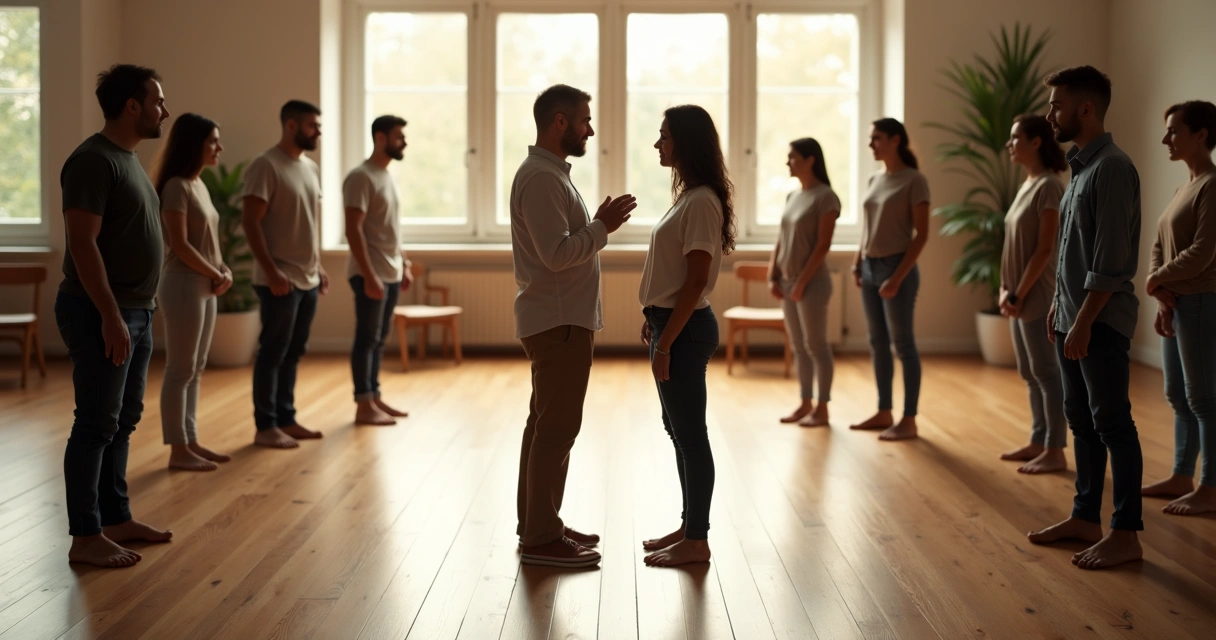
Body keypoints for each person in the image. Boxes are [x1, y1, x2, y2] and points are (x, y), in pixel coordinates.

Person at [509, 85, 636, 568]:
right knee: (556, 429)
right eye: (585, 119)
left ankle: (539, 523)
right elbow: (557, 255)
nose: (591, 128)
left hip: (559, 319)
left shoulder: (550, 174)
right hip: (557, 321)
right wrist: (602, 226)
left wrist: (598, 225)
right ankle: (541, 537)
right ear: (559, 122)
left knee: (544, 426)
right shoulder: (542, 178)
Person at [1027, 66, 1144, 570]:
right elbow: (1074, 253)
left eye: (1056, 105)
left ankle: (1127, 532)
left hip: (1098, 323)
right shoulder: (1080, 171)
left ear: (1086, 109)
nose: (1050, 113)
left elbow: (1111, 261)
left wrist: (1082, 322)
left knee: (1112, 422)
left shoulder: (1113, 168)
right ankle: (1084, 517)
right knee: (1082, 422)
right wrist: (1059, 304)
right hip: (1071, 318)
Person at [57, 64, 173, 568]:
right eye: (158, 101)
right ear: (132, 105)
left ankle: (115, 516)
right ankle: (85, 536)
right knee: (96, 423)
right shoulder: (93, 161)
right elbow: (82, 244)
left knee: (123, 421)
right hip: (102, 310)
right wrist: (109, 315)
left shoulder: (127, 160)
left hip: (136, 311)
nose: (164, 110)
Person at [639, 105, 735, 567]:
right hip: (672, 323)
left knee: (690, 436)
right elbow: (677, 274)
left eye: (664, 135)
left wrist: (666, 340)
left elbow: (696, 281)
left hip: (685, 329)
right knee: (679, 432)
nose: (658, 144)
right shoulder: (691, 196)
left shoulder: (699, 202)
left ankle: (698, 540)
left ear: (686, 141)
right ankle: (689, 526)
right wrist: (654, 317)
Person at [1141, 100, 1216, 516]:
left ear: (1201, 134)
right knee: (1178, 396)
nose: (1166, 139)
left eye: (1174, 131)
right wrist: (1158, 289)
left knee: (1204, 398)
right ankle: (1181, 475)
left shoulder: (1212, 184)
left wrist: (1157, 280)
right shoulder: (1181, 188)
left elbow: (1203, 253)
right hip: (1175, 301)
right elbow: (1158, 245)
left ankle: (1211, 487)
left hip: (1202, 300)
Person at [242, 100, 329, 449]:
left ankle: (286, 419)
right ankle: (266, 426)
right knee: (272, 352)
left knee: (294, 351)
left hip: (306, 278)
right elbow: (250, 222)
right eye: (312, 125)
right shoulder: (265, 166)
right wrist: (272, 271)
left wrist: (318, 265)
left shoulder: (310, 168)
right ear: (291, 126)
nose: (318, 131)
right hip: (278, 280)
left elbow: (307, 222)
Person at [154, 113, 234, 471]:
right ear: (193, 145)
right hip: (183, 284)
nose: (219, 147)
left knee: (196, 368)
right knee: (179, 370)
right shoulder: (176, 187)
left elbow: (208, 242)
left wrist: (223, 270)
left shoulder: (198, 184)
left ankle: (191, 440)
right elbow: (180, 245)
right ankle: (177, 450)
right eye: (213, 141)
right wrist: (216, 272)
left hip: (204, 282)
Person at [850, 118, 930, 441]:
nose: (871, 144)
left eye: (877, 138)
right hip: (869, 267)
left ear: (896, 140)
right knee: (877, 342)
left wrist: (898, 276)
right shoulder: (874, 178)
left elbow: (921, 235)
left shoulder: (915, 180)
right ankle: (884, 411)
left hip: (897, 267)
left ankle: (908, 419)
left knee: (904, 344)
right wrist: (858, 262)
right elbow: (867, 227)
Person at [997, 115, 1069, 474]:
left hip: (1037, 293)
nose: (1010, 144)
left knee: (1046, 371)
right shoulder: (1026, 185)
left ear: (1037, 141)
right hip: (1016, 293)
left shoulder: (1050, 187)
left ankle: (1055, 449)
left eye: (1015, 138)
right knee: (1029, 370)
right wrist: (1005, 289)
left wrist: (1019, 292)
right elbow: (1011, 244)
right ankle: (1038, 440)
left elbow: (1044, 249)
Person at [345, 115, 412, 426]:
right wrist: (370, 275)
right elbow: (353, 230)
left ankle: (374, 397)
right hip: (370, 274)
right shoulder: (361, 177)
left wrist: (405, 264)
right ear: (381, 138)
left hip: (391, 272)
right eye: (399, 136)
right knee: (367, 338)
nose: (404, 142)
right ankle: (363, 405)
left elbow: (390, 229)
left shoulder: (386, 176)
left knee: (379, 338)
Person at [768, 138, 840, 427]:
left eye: (793, 157)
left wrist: (801, 283)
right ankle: (805, 403)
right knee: (798, 346)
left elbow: (822, 246)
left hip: (813, 284)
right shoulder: (792, 197)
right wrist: (773, 273)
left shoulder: (826, 197)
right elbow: (781, 238)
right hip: (787, 283)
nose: (788, 162)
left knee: (816, 346)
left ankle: (822, 409)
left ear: (811, 160)